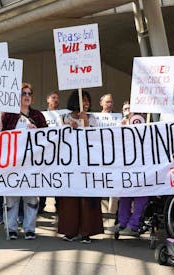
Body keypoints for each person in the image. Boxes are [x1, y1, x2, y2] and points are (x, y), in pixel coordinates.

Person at [0, 82, 47, 240]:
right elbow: (0, 137)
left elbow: (47, 137)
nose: (27, 97)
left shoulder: (38, 115)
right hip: (13, 162)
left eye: (29, 94)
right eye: (24, 93)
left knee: (31, 197)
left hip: (32, 163)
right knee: (12, 197)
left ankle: (29, 228)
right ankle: (11, 228)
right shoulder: (8, 115)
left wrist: (37, 131)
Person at [59, 90, 104, 244]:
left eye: (87, 100)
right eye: (83, 100)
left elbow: (94, 138)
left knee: (87, 197)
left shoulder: (92, 118)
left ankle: (86, 232)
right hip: (71, 164)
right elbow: (61, 139)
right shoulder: (66, 117)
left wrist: (85, 122)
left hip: (87, 163)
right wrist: (67, 127)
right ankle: (70, 231)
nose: (86, 103)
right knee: (71, 198)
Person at [116, 101, 149, 236]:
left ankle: (133, 224)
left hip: (146, 169)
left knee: (141, 196)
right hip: (129, 168)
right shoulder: (124, 123)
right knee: (125, 195)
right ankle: (122, 222)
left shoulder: (147, 122)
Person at [39, 91, 61, 213]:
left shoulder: (63, 115)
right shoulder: (41, 114)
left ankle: (58, 205)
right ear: (48, 99)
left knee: (57, 177)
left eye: (57, 98)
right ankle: (42, 204)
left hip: (58, 151)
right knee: (43, 177)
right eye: (53, 98)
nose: (55, 100)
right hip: (44, 151)